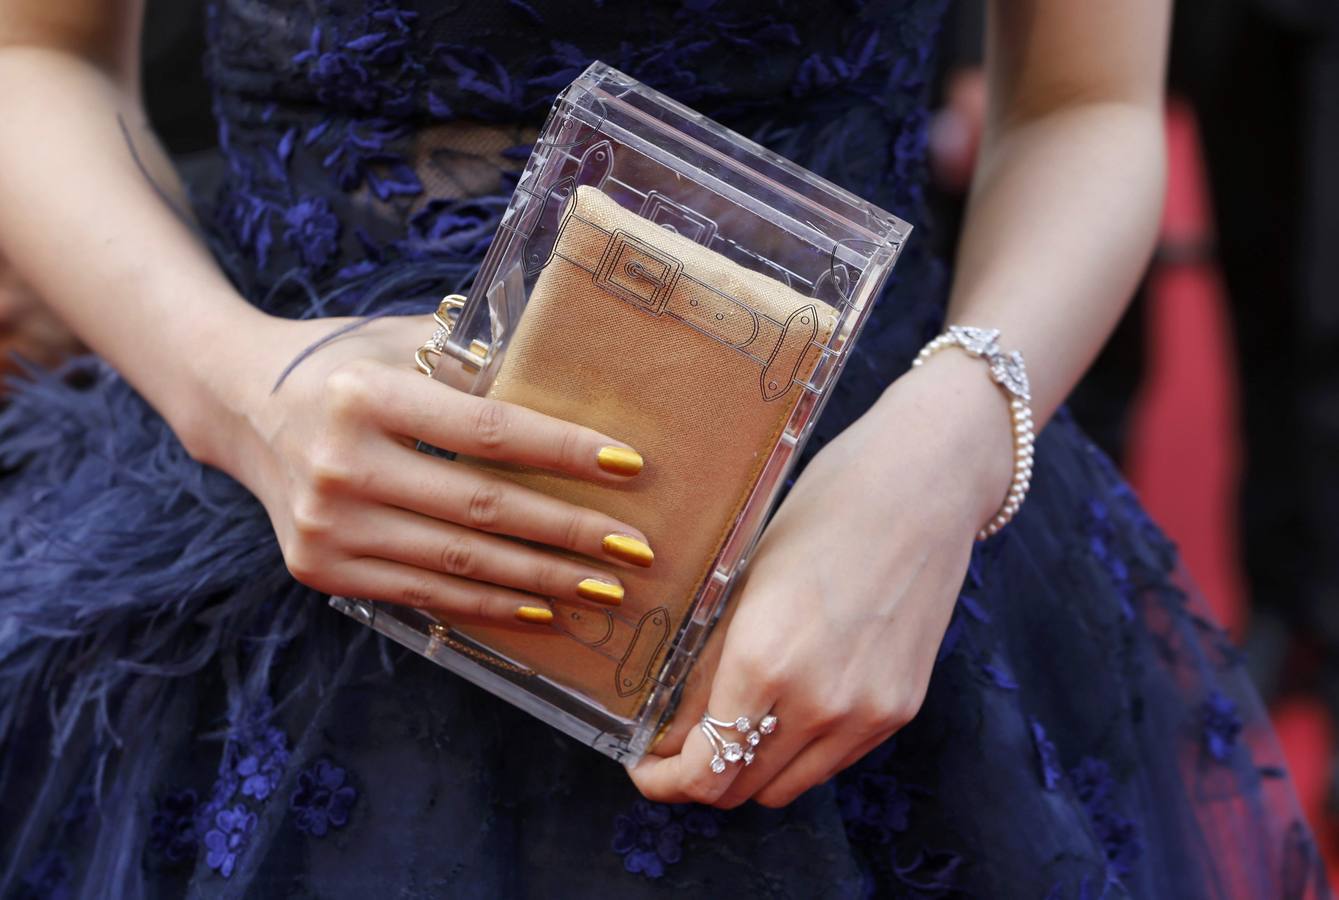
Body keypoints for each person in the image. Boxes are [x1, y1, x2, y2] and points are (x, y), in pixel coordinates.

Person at [0, 1, 1327, 896]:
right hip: (274, 526)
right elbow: (34, 51)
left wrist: (951, 448)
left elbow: (1085, 106)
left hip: (852, 547)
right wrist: (232, 386)